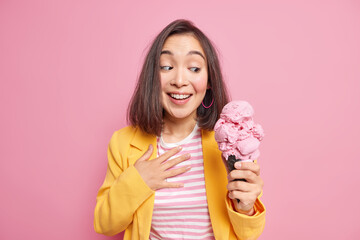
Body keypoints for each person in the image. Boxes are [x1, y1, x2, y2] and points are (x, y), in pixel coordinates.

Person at [94, 19, 265, 240]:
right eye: (167, 67)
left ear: (209, 80)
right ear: (152, 78)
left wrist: (247, 208)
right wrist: (138, 181)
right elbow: (104, 224)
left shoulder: (228, 143)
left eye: (194, 68)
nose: (180, 80)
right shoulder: (123, 143)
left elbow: (248, 235)